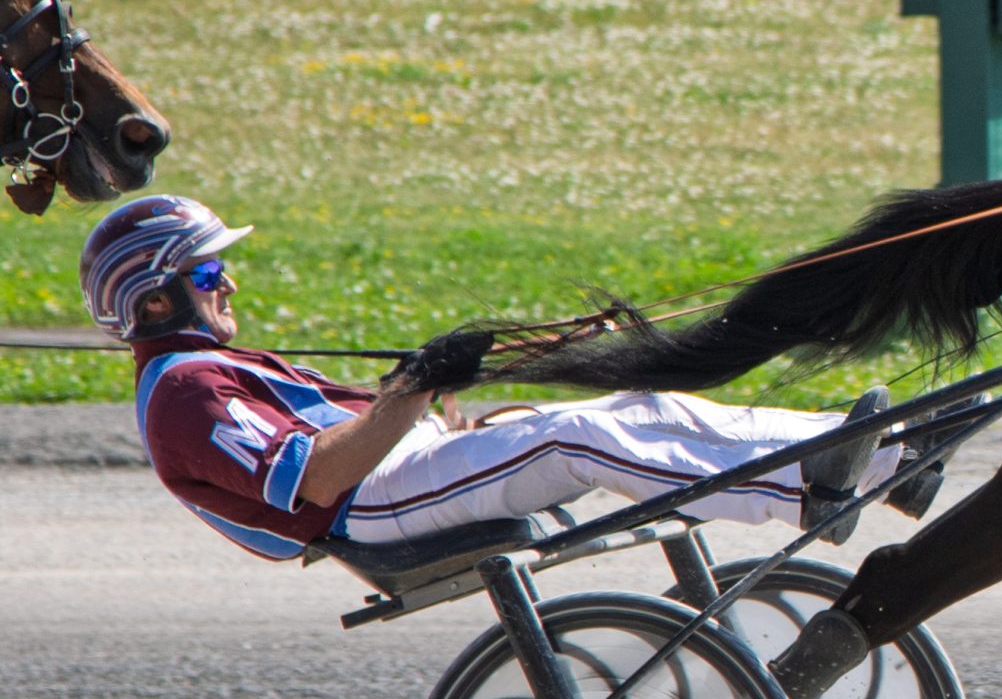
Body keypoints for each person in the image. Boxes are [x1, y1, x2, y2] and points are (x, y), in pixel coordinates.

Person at [80, 195, 907, 562]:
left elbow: (353, 436)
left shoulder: (207, 370)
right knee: (574, 437)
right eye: (207, 270)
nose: (228, 281)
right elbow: (322, 476)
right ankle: (805, 491)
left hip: (398, 476)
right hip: (370, 507)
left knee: (641, 403)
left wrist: (436, 395)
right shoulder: (186, 394)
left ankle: (877, 453)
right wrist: (414, 385)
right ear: (154, 299)